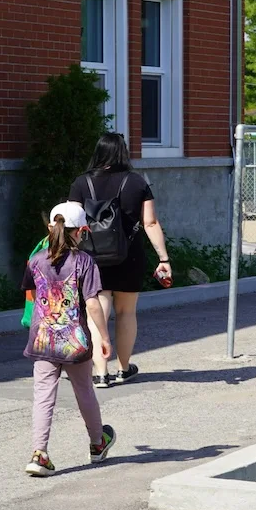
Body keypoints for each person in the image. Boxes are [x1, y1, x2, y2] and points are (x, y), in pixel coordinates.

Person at [69, 132, 172, 389]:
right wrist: (163, 258)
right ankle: (123, 369)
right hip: (130, 254)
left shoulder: (81, 183)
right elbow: (150, 222)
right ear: (122, 152)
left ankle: (100, 373)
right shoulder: (136, 182)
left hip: (93, 256)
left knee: (97, 313)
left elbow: (71, 222)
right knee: (126, 312)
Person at [22, 202, 117, 477]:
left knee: (43, 396)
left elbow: (32, 293)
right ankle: (97, 443)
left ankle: (39, 454)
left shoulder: (36, 259)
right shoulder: (85, 261)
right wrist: (105, 337)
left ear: (50, 228)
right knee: (84, 390)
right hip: (75, 342)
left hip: (42, 340)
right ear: (82, 231)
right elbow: (93, 304)